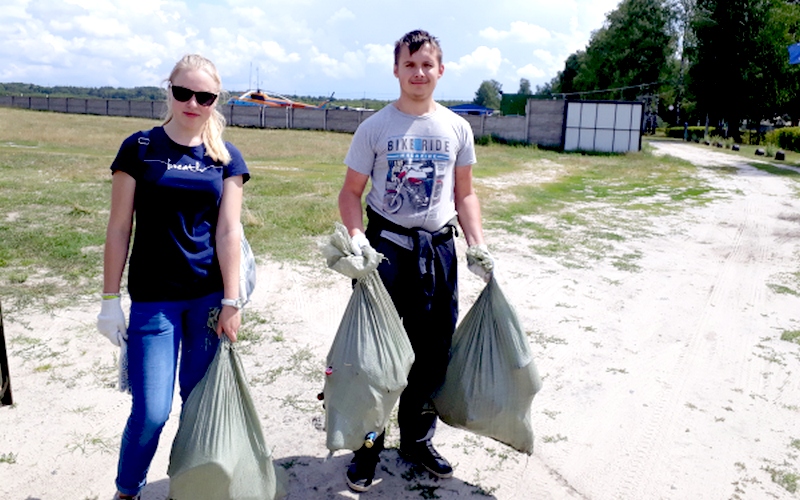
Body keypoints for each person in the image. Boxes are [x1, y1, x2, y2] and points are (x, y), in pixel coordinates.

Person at [338, 29, 494, 493]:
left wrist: (476, 243)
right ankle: (368, 448)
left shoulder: (456, 128)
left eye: (427, 64)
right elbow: (351, 193)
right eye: (410, 64)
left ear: (440, 70)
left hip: (438, 252)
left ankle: (416, 440)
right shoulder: (375, 127)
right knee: (376, 357)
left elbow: (464, 194)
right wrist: (356, 239)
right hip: (384, 252)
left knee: (431, 354)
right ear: (396, 70)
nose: (419, 73)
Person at [96, 54, 250, 500]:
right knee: (151, 412)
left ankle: (193, 486)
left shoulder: (226, 157)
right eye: (183, 92)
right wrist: (110, 300)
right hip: (153, 301)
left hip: (207, 298)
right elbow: (119, 227)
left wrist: (232, 301)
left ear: (215, 100)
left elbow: (228, 232)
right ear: (168, 90)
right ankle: (128, 490)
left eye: (205, 96)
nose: (193, 103)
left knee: (198, 407)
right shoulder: (139, 148)